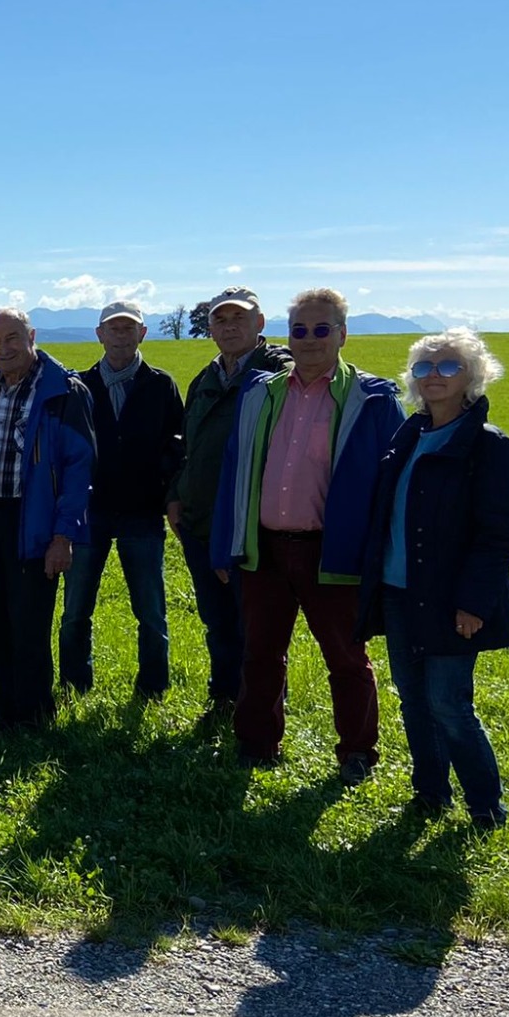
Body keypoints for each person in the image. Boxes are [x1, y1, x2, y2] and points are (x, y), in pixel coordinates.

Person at [212, 287, 404, 780]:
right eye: (300, 330)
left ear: (342, 334)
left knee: (346, 657)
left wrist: (381, 555)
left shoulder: (372, 399)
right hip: (265, 548)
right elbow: (235, 470)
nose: (310, 339)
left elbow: (394, 486)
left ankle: (357, 751)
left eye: (322, 329)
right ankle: (256, 744)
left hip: (332, 551)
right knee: (260, 653)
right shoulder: (261, 393)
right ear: (288, 335)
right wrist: (225, 543)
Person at [358, 331, 509, 829]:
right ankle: (430, 794)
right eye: (424, 366)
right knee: (413, 699)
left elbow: (499, 536)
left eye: (449, 366)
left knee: (449, 704)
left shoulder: (491, 447)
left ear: (472, 376)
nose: (434, 375)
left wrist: (473, 603)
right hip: (398, 591)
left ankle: (485, 806)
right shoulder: (408, 434)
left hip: (450, 599)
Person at [0, 308, 95, 730]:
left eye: (12, 338)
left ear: (31, 336)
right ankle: (4, 707)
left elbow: (79, 469)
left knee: (29, 624)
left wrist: (63, 536)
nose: (3, 349)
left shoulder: (63, 391)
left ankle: (34, 714)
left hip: (32, 522)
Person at [168, 288, 291, 721]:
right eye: (220, 320)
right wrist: (175, 494)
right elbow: (187, 444)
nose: (229, 326)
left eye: (240, 318)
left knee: (257, 622)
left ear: (260, 323)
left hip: (250, 523)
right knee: (217, 619)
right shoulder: (206, 377)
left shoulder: (279, 373)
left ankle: (264, 708)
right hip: (199, 520)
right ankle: (223, 696)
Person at [58, 301, 184, 698]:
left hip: (142, 511)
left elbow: (177, 444)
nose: (121, 335)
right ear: (100, 335)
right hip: (88, 513)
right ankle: (74, 684)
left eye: (129, 328)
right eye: (113, 328)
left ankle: (153, 688)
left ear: (142, 333)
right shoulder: (80, 386)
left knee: (150, 610)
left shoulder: (160, 385)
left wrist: (164, 486)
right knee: (76, 608)